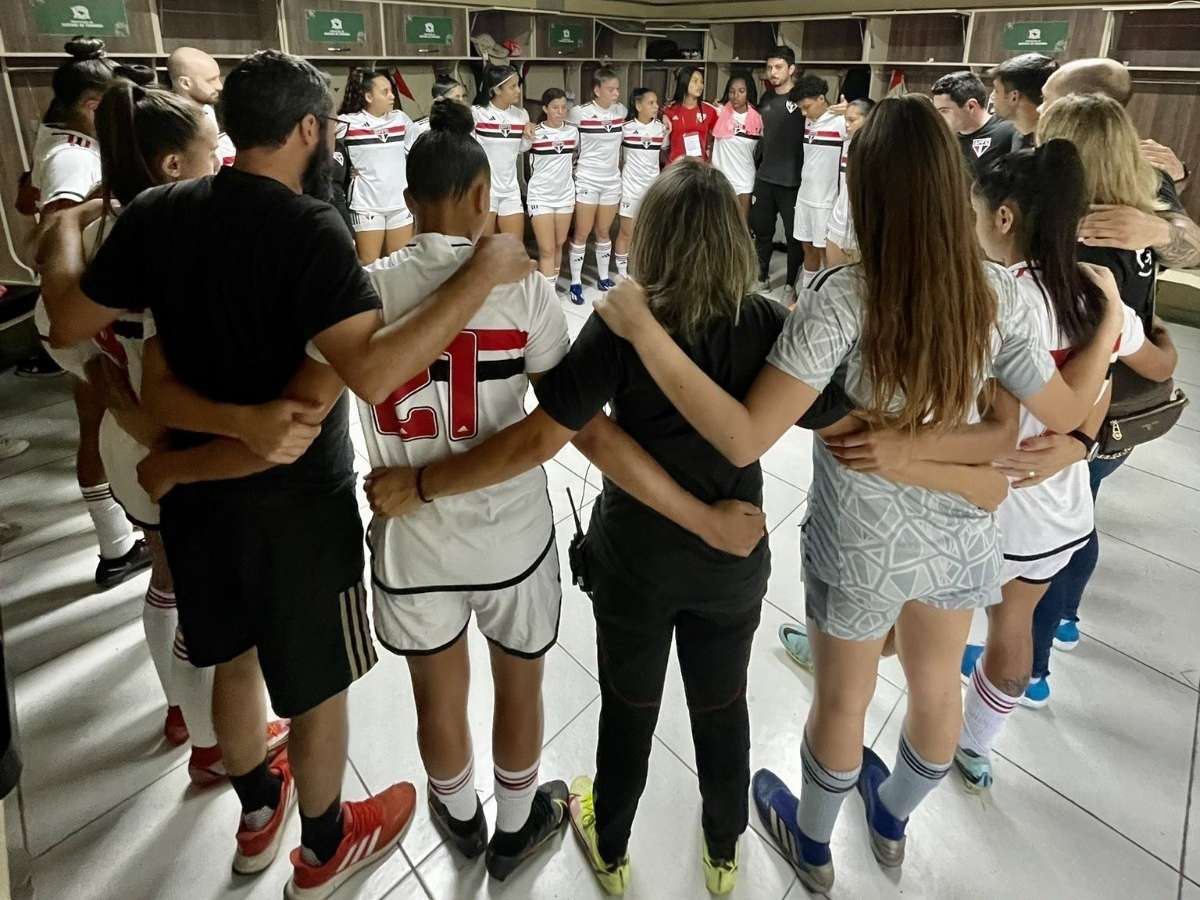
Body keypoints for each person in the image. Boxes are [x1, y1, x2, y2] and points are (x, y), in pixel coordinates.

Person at [594, 95, 1124, 894]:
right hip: (960, 528)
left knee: (844, 701)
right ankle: (893, 820)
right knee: (936, 687)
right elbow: (1055, 413)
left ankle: (811, 846)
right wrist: (1110, 320)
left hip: (861, 538)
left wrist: (643, 331)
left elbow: (743, 437)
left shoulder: (846, 296)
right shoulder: (997, 293)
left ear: (865, 190)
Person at [47, 49, 536, 897]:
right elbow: (372, 373)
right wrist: (483, 271)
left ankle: (254, 811)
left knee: (231, 661)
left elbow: (73, 323)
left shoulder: (160, 210)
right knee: (314, 685)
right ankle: (322, 845)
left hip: (197, 495)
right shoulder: (313, 230)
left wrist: (58, 227)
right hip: (299, 504)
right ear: (309, 128)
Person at [359, 158, 850, 897]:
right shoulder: (766, 323)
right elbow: (839, 414)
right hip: (733, 556)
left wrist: (424, 482)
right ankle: (724, 853)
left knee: (628, 707)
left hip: (637, 558)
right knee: (725, 705)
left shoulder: (622, 327)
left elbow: (562, 428)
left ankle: (611, 849)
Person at [334, 100, 574, 881]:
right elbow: (556, 414)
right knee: (520, 685)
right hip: (509, 534)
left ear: (406, 203)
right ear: (483, 196)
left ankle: (461, 818)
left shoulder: (363, 291)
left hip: (413, 543)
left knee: (437, 697)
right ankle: (515, 828)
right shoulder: (526, 289)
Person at [39, 77, 291, 779]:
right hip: (177, 444)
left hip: (136, 441)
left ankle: (191, 716)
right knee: (203, 600)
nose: (227, 161)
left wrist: (109, 390)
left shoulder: (92, 230)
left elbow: (62, 336)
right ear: (175, 165)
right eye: (215, 149)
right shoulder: (187, 234)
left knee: (168, 579)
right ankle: (214, 744)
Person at [954, 140, 1177, 790]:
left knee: (910, 597)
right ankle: (977, 745)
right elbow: (1161, 369)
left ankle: (856, 664)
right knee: (1014, 627)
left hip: (977, 499)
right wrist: (1136, 329)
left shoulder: (988, 298)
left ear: (1002, 218)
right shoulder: (1097, 291)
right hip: (1056, 512)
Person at [1015, 93, 1182, 707]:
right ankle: (1066, 621)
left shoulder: (1083, 242)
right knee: (1082, 517)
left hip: (1087, 411)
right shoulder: (1137, 222)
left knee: (1050, 542)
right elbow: (1147, 339)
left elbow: (1091, 346)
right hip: (1123, 415)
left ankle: (1030, 668)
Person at [29, 38, 151, 589]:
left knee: (107, 422)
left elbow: (19, 199)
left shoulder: (56, 138)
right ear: (94, 104)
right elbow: (52, 233)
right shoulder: (74, 155)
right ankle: (115, 544)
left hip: (88, 306)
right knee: (101, 425)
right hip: (82, 310)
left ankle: (123, 533)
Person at [1040, 58, 1200, 271]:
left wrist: (1158, 232)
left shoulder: (1139, 168)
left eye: (1047, 98)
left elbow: (1193, 253)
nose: (1040, 108)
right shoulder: (1034, 153)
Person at [338, 67, 416, 263]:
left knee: (400, 266)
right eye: (385, 92)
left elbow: (419, 150)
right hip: (366, 207)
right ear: (368, 96)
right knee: (369, 267)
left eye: (391, 91)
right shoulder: (348, 123)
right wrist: (345, 171)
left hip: (400, 205)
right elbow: (322, 149)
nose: (392, 96)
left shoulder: (400, 119)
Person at [567, 67, 627, 304]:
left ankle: (603, 277)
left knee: (603, 231)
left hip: (611, 181)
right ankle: (575, 282)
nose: (615, 93)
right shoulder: (578, 113)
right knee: (582, 232)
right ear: (596, 90)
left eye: (617, 89)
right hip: (587, 179)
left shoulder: (620, 111)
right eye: (610, 89)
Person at [751, 47, 806, 305]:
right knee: (762, 230)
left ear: (791, 69)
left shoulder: (802, 98)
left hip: (792, 180)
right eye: (769, 67)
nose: (772, 73)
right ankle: (761, 275)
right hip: (765, 177)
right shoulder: (765, 99)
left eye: (778, 67)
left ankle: (789, 284)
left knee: (795, 236)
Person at [792, 75, 847, 287]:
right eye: (801, 108)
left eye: (806, 107)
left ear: (821, 99)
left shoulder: (840, 122)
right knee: (807, 247)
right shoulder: (809, 120)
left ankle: (826, 296)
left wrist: (850, 110)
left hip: (825, 201)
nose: (804, 113)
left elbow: (867, 129)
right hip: (805, 196)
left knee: (826, 253)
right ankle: (807, 293)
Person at [525, 87, 577, 288]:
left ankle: (551, 287)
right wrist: (525, 127)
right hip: (540, 196)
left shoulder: (573, 131)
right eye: (555, 107)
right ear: (545, 108)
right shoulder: (534, 132)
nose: (560, 111)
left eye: (564, 107)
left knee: (558, 244)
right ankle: (548, 295)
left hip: (565, 196)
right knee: (546, 249)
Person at [472, 65, 532, 238]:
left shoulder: (521, 115)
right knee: (484, 250)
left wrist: (528, 135)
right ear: (497, 90)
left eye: (518, 85)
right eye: (512, 87)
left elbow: (521, 149)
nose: (518, 91)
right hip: (485, 190)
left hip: (511, 189)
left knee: (513, 247)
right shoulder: (478, 113)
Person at [615, 88, 666, 279]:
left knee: (649, 233)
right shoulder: (625, 128)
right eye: (650, 103)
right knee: (626, 232)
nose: (655, 107)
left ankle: (644, 268)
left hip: (652, 190)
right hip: (630, 188)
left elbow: (667, 149)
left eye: (656, 103)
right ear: (638, 105)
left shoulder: (661, 128)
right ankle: (621, 273)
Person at [931, 70, 1018, 177]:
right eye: (937, 111)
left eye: (944, 110)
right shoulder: (945, 140)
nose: (939, 117)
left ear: (971, 106)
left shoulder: (1009, 132)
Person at [166, 45, 236, 166]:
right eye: (211, 80)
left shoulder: (209, 111)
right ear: (186, 83)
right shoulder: (170, 122)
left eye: (218, 78)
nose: (219, 86)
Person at [825, 98, 873, 265]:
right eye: (846, 119)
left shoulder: (878, 149)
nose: (847, 125)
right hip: (838, 222)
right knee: (832, 278)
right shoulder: (846, 142)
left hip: (861, 227)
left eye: (852, 120)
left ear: (870, 119)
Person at [711, 72, 762, 222]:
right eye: (732, 91)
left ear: (748, 92)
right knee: (718, 226)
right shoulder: (718, 112)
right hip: (721, 181)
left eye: (741, 91)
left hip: (745, 181)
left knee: (741, 227)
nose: (735, 96)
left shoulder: (758, 118)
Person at [990, 53, 1057, 151]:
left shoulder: (1052, 146)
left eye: (996, 90)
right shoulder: (1017, 136)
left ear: (1014, 97)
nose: (992, 97)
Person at [663, 66, 716, 163]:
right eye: (695, 81)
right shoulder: (670, 110)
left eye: (702, 82)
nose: (700, 85)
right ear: (684, 82)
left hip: (699, 166)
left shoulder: (709, 110)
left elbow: (718, 137)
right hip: (675, 166)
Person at [409, 76, 468, 143]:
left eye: (463, 96)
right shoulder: (420, 128)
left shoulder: (466, 124)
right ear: (439, 99)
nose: (462, 101)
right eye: (456, 97)